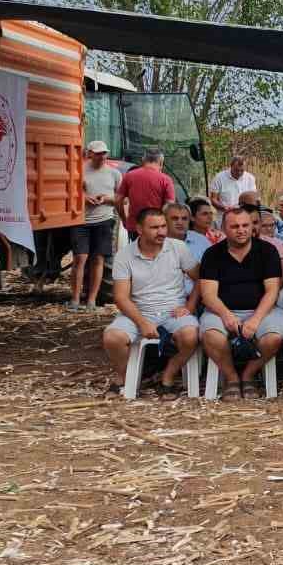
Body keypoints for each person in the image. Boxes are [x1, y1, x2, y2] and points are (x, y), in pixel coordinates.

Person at [100, 207, 201, 396]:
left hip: (173, 311)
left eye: (163, 226)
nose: (162, 231)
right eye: (154, 227)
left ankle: (168, 376)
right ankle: (124, 377)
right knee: (112, 337)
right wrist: (142, 322)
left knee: (190, 336)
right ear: (139, 229)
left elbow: (201, 278)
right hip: (138, 311)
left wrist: (189, 306)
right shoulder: (124, 255)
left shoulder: (178, 248)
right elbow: (121, 297)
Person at [198, 208, 283, 400]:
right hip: (221, 310)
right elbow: (208, 295)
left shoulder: (267, 251)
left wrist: (255, 319)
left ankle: (248, 375)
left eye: (246, 225)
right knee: (211, 335)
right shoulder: (212, 254)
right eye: (235, 226)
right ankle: (231, 378)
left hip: (263, 310)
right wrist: (226, 315)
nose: (241, 230)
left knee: (273, 338)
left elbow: (272, 291)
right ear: (223, 228)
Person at [70, 140, 122, 311]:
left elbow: (120, 199)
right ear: (89, 153)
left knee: (98, 259)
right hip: (81, 221)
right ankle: (75, 299)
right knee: (80, 258)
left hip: (104, 220)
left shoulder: (114, 174)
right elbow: (70, 193)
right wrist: (84, 198)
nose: (102, 156)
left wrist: (105, 199)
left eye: (104, 153)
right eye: (98, 153)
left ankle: (92, 300)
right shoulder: (78, 170)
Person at [117, 147, 177, 239]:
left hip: (135, 227)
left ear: (143, 160)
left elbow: (117, 200)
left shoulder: (129, 176)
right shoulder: (166, 179)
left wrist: (124, 219)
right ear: (161, 162)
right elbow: (170, 206)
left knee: (136, 252)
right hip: (157, 228)